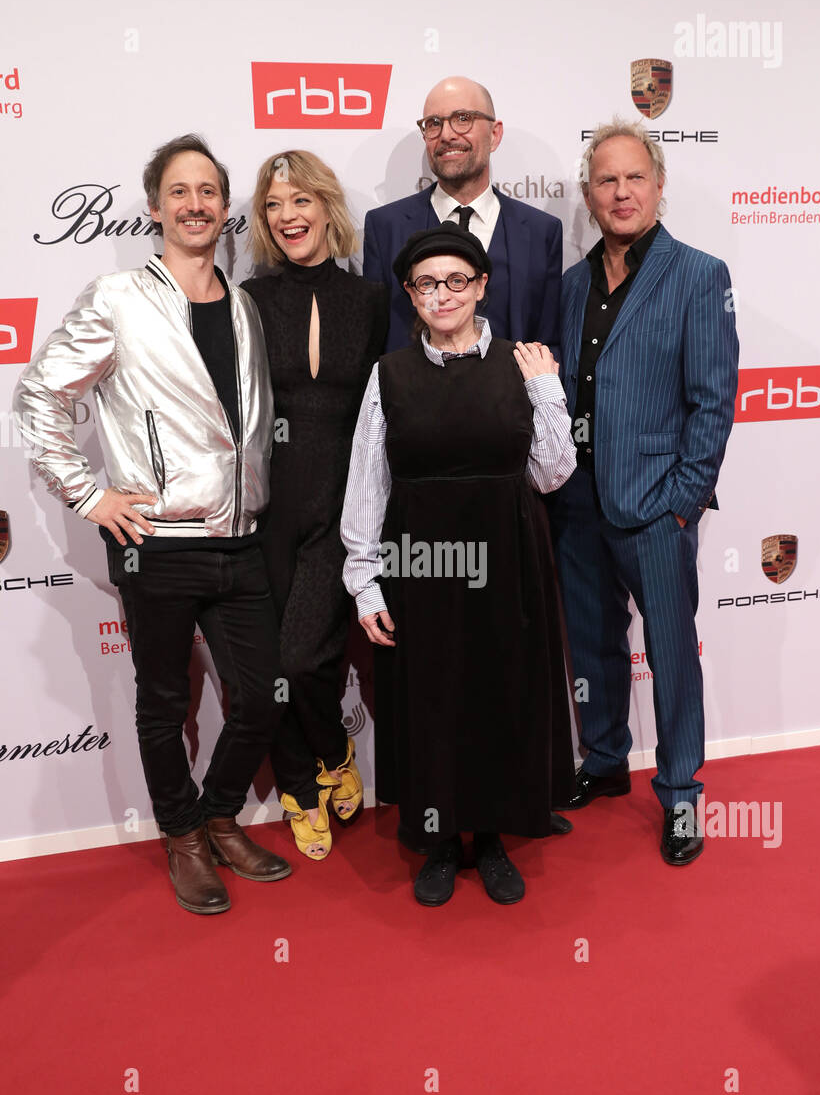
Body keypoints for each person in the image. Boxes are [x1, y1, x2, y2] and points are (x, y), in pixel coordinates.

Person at [13, 133, 291, 914]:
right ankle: (183, 835)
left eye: (208, 192)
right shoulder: (118, 300)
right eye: (180, 191)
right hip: (157, 543)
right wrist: (89, 494)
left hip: (241, 540)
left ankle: (216, 814)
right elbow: (40, 397)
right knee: (164, 703)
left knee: (265, 694)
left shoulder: (242, 304)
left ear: (224, 209)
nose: (196, 204)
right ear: (155, 208)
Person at [341, 222, 576, 906]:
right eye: (425, 283)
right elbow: (367, 484)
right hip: (422, 563)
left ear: (481, 286)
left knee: (503, 690)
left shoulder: (521, 363)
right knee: (434, 698)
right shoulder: (390, 375)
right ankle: (441, 842)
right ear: (410, 295)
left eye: (455, 280)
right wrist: (364, 582)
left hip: (509, 559)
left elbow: (553, 473)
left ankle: (495, 837)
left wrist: (547, 390)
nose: (441, 294)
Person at [546, 119, 739, 865]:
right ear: (590, 194)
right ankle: (603, 761)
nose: (620, 192)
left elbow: (713, 400)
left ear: (658, 185)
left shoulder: (699, 275)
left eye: (634, 178)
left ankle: (683, 791)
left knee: (669, 649)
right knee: (592, 642)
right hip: (577, 499)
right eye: (606, 180)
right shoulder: (571, 285)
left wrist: (684, 500)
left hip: (656, 504)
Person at [241, 151, 388, 860]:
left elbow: (392, 412)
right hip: (268, 506)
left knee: (306, 658)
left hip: (345, 502)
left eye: (300, 200)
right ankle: (303, 786)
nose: (288, 216)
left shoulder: (373, 301)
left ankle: (333, 753)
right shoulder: (248, 299)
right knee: (270, 663)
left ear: (327, 206)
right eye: (274, 205)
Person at [363, 76, 562, 353]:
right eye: (434, 123)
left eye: (463, 118)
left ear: (494, 134)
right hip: (414, 395)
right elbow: (374, 343)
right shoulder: (385, 227)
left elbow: (549, 341)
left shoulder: (542, 232)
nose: (446, 135)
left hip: (511, 394)